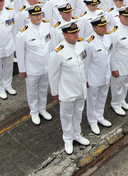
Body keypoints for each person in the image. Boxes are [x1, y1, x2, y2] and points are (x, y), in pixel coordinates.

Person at [48, 21, 90, 155]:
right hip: (66, 90)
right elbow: (53, 75)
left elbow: (83, 66)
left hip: (80, 88)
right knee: (66, 115)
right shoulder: (58, 52)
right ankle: (67, 138)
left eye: (77, 32)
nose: (76, 35)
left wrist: (86, 81)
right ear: (64, 35)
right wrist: (55, 92)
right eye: (72, 33)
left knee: (78, 112)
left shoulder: (81, 45)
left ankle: (76, 134)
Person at [16, 5, 55, 125]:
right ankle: (34, 111)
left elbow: (50, 45)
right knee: (32, 90)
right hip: (32, 68)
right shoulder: (23, 33)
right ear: (29, 16)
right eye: (35, 15)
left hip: (46, 66)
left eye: (40, 14)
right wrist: (22, 69)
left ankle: (42, 109)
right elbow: (20, 53)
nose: (38, 17)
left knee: (43, 88)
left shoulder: (47, 26)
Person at [84, 15, 113, 135]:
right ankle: (92, 121)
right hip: (93, 77)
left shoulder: (108, 38)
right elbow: (85, 64)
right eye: (101, 26)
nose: (104, 28)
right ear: (94, 27)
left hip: (105, 75)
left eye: (105, 25)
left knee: (102, 97)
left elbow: (109, 57)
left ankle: (100, 116)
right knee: (92, 100)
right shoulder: (89, 43)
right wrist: (85, 80)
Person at [109, 6, 128, 116]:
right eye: (125, 17)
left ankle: (122, 101)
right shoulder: (115, 32)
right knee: (117, 87)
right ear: (119, 16)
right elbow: (111, 52)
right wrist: (114, 68)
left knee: (126, 84)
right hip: (120, 65)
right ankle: (115, 104)